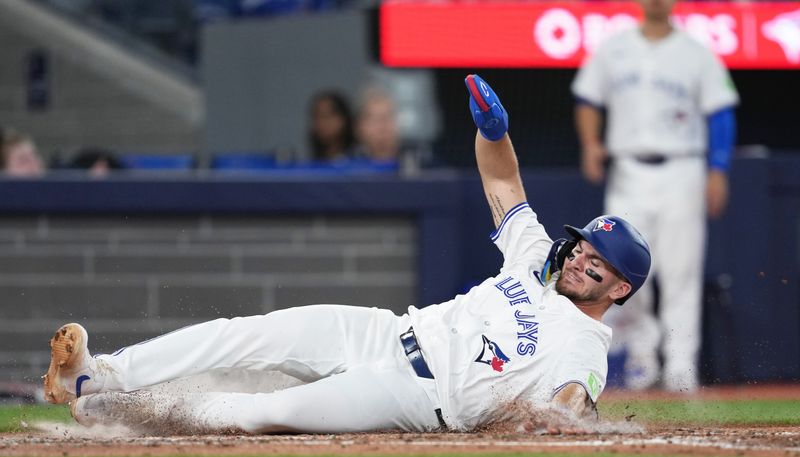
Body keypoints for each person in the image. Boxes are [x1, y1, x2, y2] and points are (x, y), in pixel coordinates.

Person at [42, 75, 651, 435]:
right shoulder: (540, 259)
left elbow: (574, 402)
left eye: (596, 265)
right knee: (251, 333)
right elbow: (502, 184)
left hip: (416, 397)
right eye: (583, 248)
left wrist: (563, 413)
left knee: (267, 414)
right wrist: (493, 133)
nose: (578, 261)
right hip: (388, 331)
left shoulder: (584, 342)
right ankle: (100, 373)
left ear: (619, 289)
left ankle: (118, 411)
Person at [571, 0, 738, 392]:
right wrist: (590, 143)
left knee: (682, 270)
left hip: (683, 166)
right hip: (628, 168)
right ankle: (642, 358)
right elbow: (587, 99)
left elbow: (721, 113)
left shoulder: (696, 53)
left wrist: (718, 169)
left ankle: (681, 365)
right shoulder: (614, 47)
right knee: (621, 267)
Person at [354, 86, 400, 164]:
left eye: (388, 117)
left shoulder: (421, 166)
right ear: (360, 127)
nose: (383, 126)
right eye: (375, 119)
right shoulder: (346, 169)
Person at [307, 90, 356, 162]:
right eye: (316, 117)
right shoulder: (312, 162)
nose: (321, 123)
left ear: (344, 120)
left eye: (327, 116)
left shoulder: (361, 160)